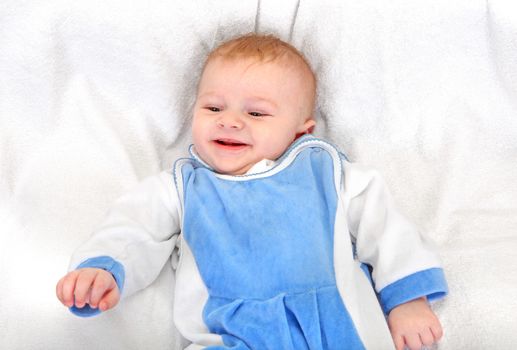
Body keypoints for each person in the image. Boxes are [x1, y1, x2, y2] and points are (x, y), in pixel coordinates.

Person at [56, 33, 448, 350]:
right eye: (213, 108)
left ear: (301, 130)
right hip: (229, 333)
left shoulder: (323, 172)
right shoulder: (185, 185)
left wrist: (407, 301)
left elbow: (385, 226)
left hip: (332, 327)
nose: (230, 121)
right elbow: (135, 227)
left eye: (256, 113)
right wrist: (102, 268)